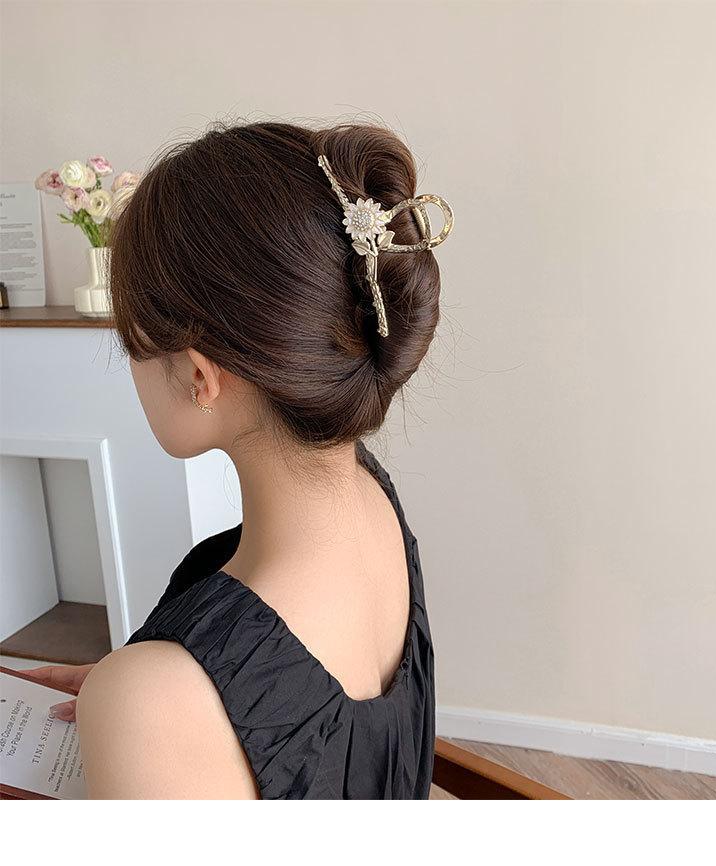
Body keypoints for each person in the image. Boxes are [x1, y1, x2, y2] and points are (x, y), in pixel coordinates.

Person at [23, 120, 453, 799]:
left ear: (200, 377)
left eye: (130, 342)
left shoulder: (156, 700)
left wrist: (150, 711)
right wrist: (156, 710)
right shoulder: (371, 496)